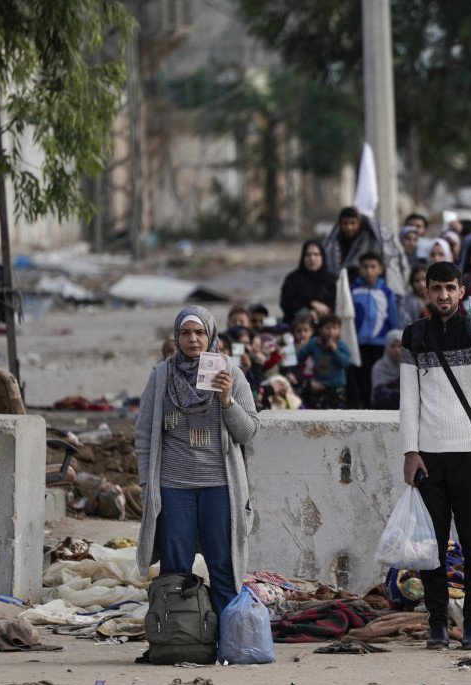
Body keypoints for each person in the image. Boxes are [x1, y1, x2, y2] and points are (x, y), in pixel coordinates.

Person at [400, 261, 471, 651]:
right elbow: (408, 399)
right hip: (430, 457)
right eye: (436, 288)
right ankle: (437, 624)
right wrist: (409, 451)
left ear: (462, 291)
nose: (443, 295)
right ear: (426, 292)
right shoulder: (414, 335)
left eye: (450, 287)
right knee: (432, 547)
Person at [135, 306, 259, 619]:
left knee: (222, 564)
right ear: (176, 337)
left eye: (200, 332)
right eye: (185, 333)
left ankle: (229, 638)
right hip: (174, 486)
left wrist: (227, 400)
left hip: (219, 486)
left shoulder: (230, 372)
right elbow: (144, 435)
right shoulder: (161, 376)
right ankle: (178, 636)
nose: (193, 339)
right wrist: (147, 486)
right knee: (176, 567)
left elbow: (248, 432)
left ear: (211, 335)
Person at [321, 206, 407, 295]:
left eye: (352, 223)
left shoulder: (371, 241)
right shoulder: (334, 241)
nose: (349, 227)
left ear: (359, 223)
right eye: (345, 223)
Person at [351, 251, 399, 408]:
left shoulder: (386, 292)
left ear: (380, 269)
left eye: (373, 267)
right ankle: (364, 408)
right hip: (359, 344)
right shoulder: (352, 290)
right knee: (362, 379)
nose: (369, 271)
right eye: (365, 267)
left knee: (377, 378)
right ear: (359, 269)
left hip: (380, 344)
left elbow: (393, 320)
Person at [297, 314, 351, 409]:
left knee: (339, 415)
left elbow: (345, 363)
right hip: (320, 386)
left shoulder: (341, 345)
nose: (331, 331)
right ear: (321, 330)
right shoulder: (314, 343)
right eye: (327, 327)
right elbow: (299, 357)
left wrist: (335, 351)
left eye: (334, 328)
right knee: (320, 415)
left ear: (339, 330)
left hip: (338, 387)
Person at [279, 239, 337, 325]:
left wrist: (326, 309)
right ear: (303, 257)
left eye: (316, 254)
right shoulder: (293, 279)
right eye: (308, 255)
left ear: (322, 257)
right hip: (297, 327)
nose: (312, 259)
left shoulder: (332, 280)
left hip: (326, 327)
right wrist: (306, 311)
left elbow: (338, 305)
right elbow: (286, 304)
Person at [371, 328, 403, 410]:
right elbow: (378, 392)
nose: (396, 350)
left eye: (400, 346)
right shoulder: (380, 366)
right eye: (392, 346)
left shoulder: (411, 367)